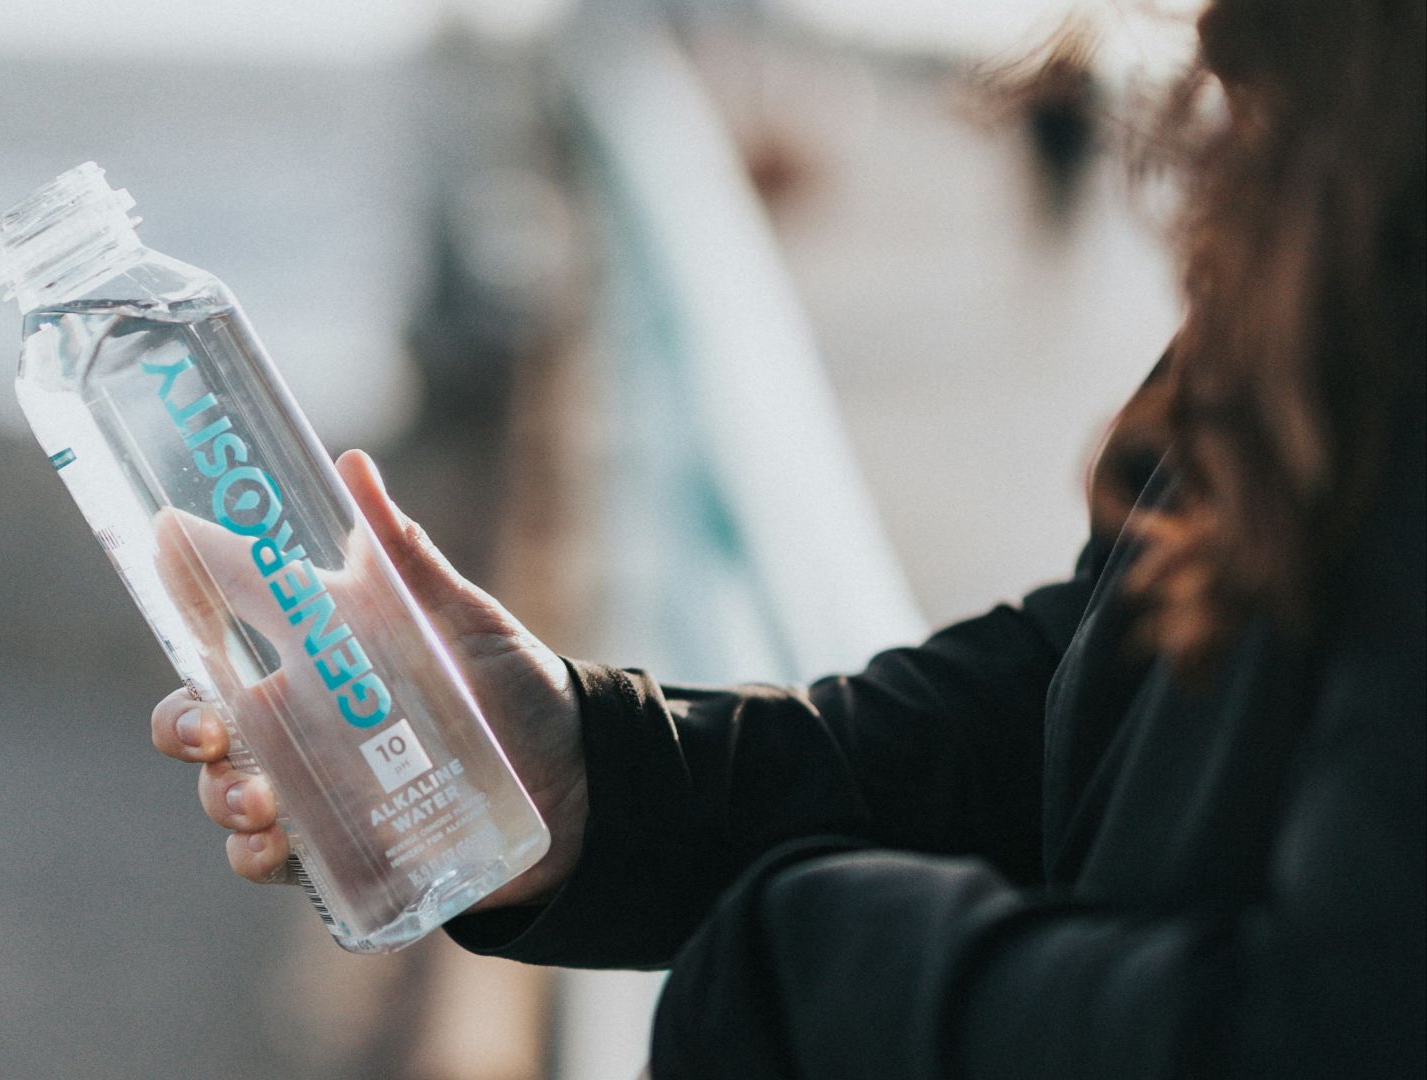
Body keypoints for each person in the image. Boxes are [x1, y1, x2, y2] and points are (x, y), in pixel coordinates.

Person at [150, 0, 1426, 1075]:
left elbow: (1335, 1023)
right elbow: (1120, 696)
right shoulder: (1348, 167)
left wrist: (802, 962)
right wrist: (598, 778)